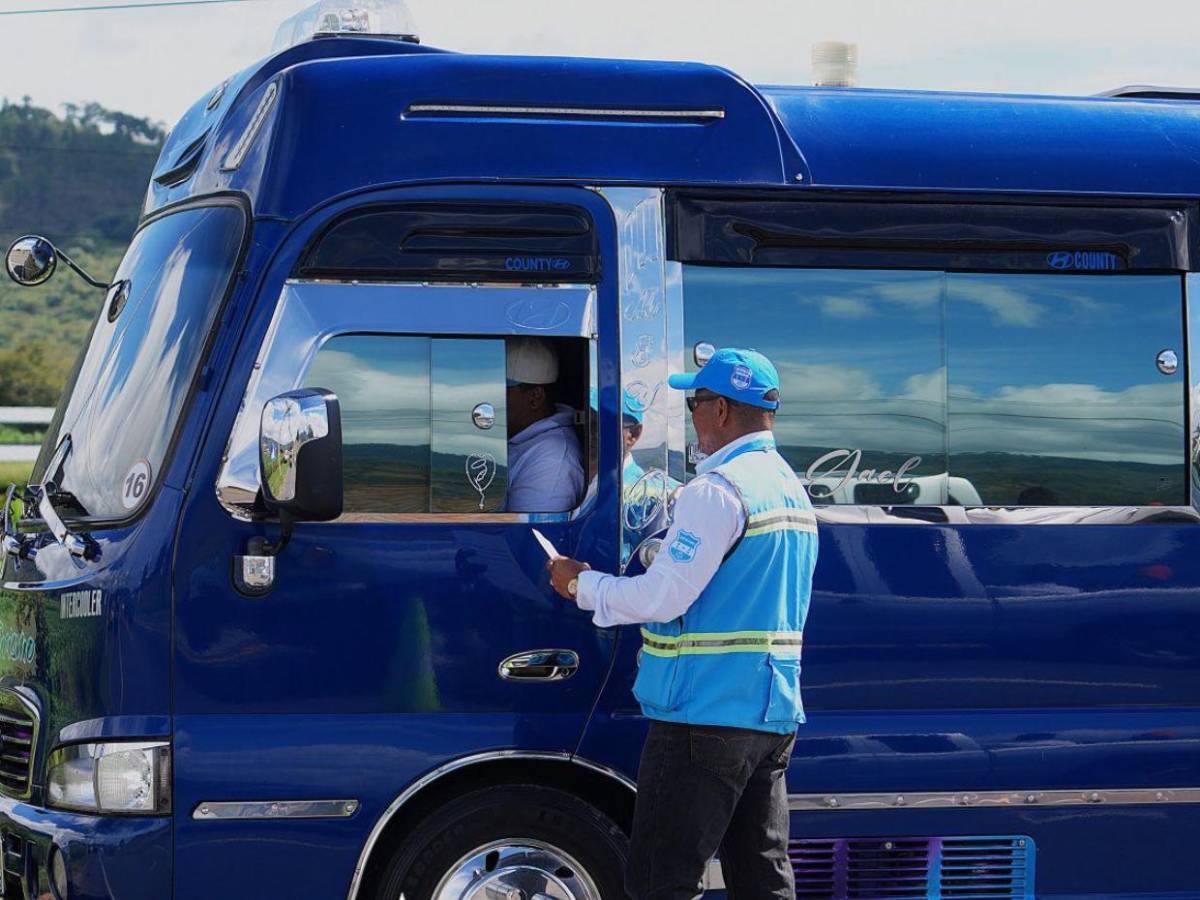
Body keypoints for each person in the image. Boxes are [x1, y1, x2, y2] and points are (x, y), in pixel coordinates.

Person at [547, 348, 818, 900]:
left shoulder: (717, 491)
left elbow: (663, 596)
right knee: (762, 878)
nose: (691, 417)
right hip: (770, 714)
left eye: (694, 403)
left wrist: (581, 585)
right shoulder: (791, 491)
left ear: (720, 410)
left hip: (703, 718)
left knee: (660, 881)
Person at [504, 337, 585, 512]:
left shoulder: (551, 460)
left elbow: (524, 535)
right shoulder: (525, 439)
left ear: (535, 397)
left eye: (501, 389)